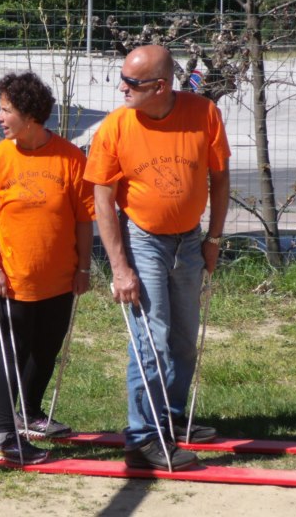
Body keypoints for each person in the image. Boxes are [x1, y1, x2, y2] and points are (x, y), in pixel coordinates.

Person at [84, 45, 231, 471]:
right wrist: (120, 267)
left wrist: (214, 239)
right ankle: (142, 437)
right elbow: (102, 200)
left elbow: (219, 179)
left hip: (189, 241)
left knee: (183, 339)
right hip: (142, 240)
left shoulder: (203, 114)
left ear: (161, 87)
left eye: (132, 83)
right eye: (123, 78)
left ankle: (169, 416)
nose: (122, 88)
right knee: (151, 343)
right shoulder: (114, 127)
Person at [0, 71, 95, 465]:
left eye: (6, 110)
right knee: (14, 352)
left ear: (30, 114)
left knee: (46, 349)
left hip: (58, 279)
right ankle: (3, 436)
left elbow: (84, 219)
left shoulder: (70, 158)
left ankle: (31, 415)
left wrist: (83, 268)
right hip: (9, 281)